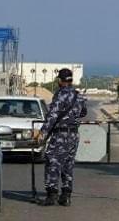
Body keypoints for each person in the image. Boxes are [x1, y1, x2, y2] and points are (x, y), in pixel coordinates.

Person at [35, 68, 87, 207]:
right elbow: (83, 112)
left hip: (60, 134)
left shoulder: (60, 95)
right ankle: (66, 196)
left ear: (59, 80)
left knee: (52, 160)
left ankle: (51, 194)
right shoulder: (79, 95)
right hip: (74, 135)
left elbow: (52, 116)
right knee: (68, 164)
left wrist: (43, 132)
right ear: (71, 80)